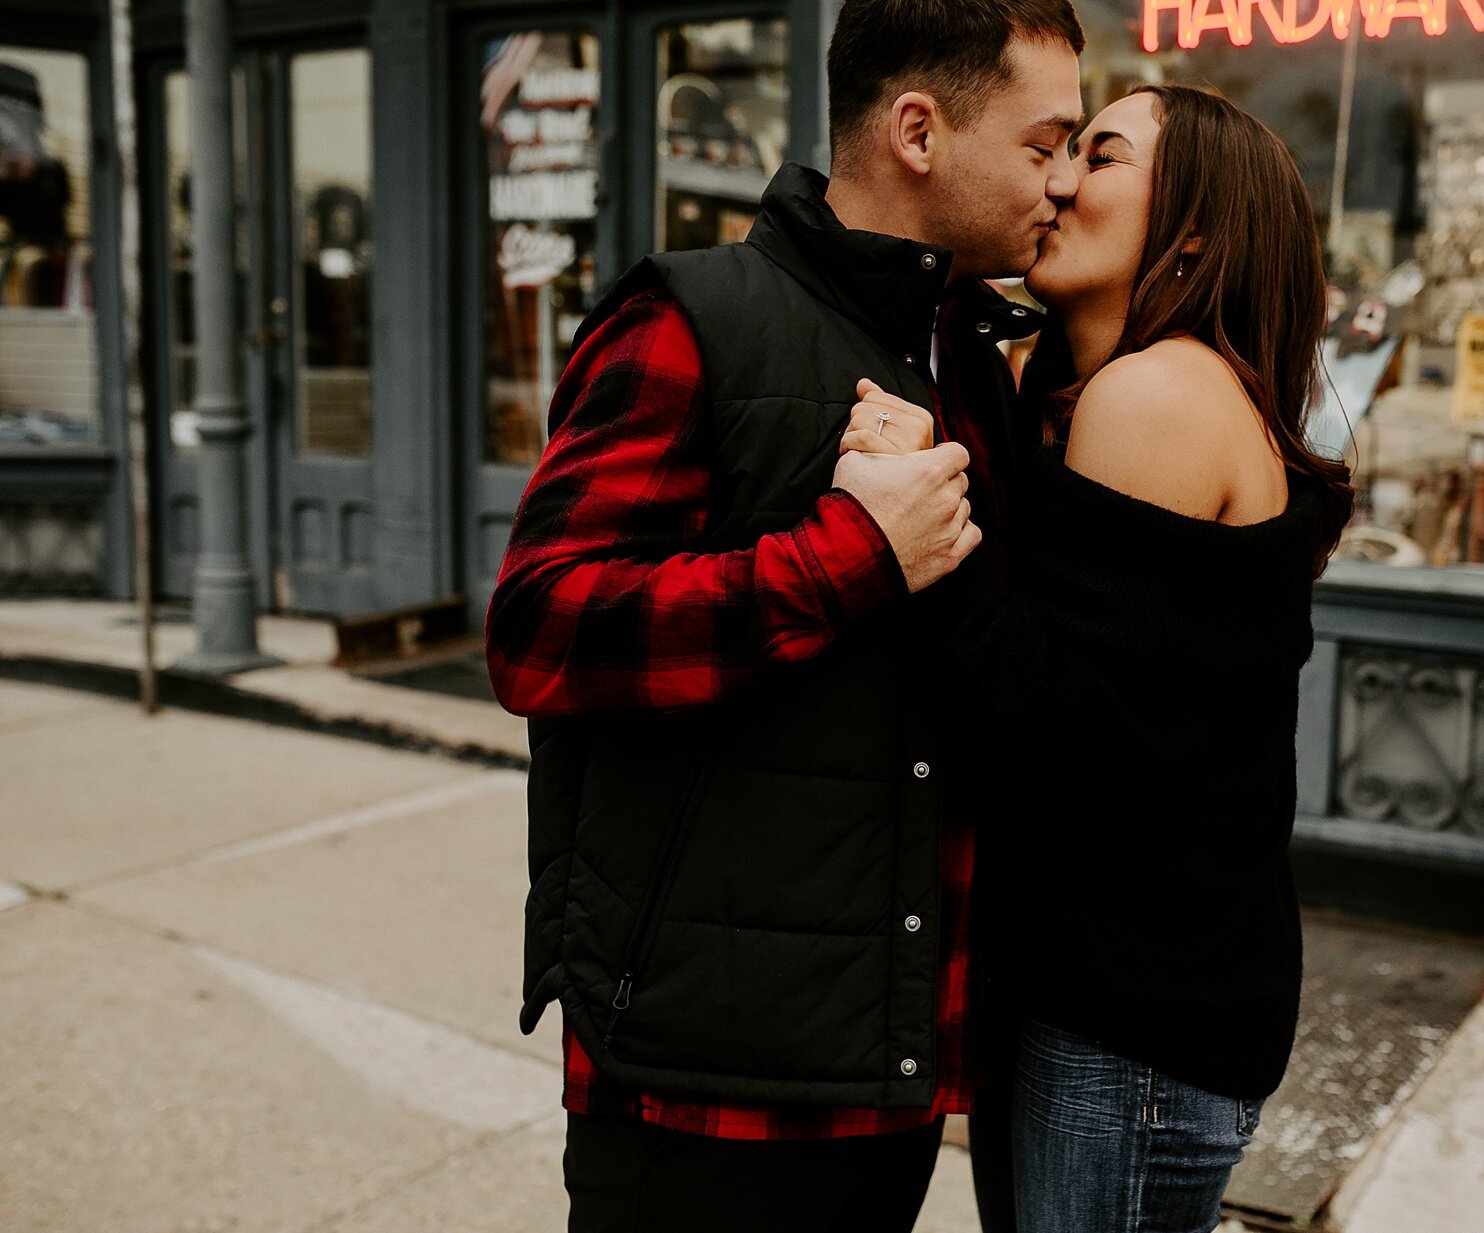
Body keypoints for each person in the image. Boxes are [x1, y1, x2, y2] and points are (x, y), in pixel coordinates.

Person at [482, 2, 1085, 1229]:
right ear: (918, 129)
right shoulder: (689, 319)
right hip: (698, 1087)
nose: (1063, 183)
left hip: (889, 1071)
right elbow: (539, 630)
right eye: (1042, 144)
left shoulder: (970, 359)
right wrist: (848, 552)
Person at [837, 84, 1354, 1233]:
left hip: (1133, 1028)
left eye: (1100, 154)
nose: (1058, 178)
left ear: (1198, 228)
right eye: (1060, 147)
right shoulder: (1078, 393)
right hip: (1107, 1000)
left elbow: (1058, 742)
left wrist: (923, 515)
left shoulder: (1155, 395)